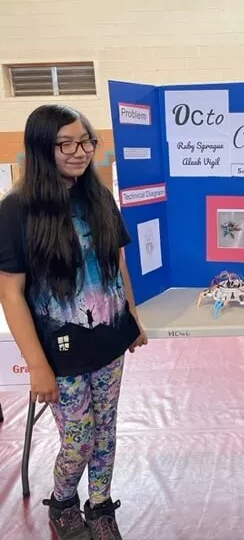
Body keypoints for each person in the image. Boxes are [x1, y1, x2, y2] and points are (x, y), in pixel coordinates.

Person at [0, 105, 148, 540]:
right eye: (66, 143)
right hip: (58, 350)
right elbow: (10, 292)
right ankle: (63, 500)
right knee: (80, 437)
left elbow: (116, 263)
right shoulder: (15, 211)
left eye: (86, 141)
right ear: (42, 149)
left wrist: (132, 318)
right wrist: (37, 365)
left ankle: (100, 505)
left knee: (106, 431)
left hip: (109, 339)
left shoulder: (98, 196)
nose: (79, 151)